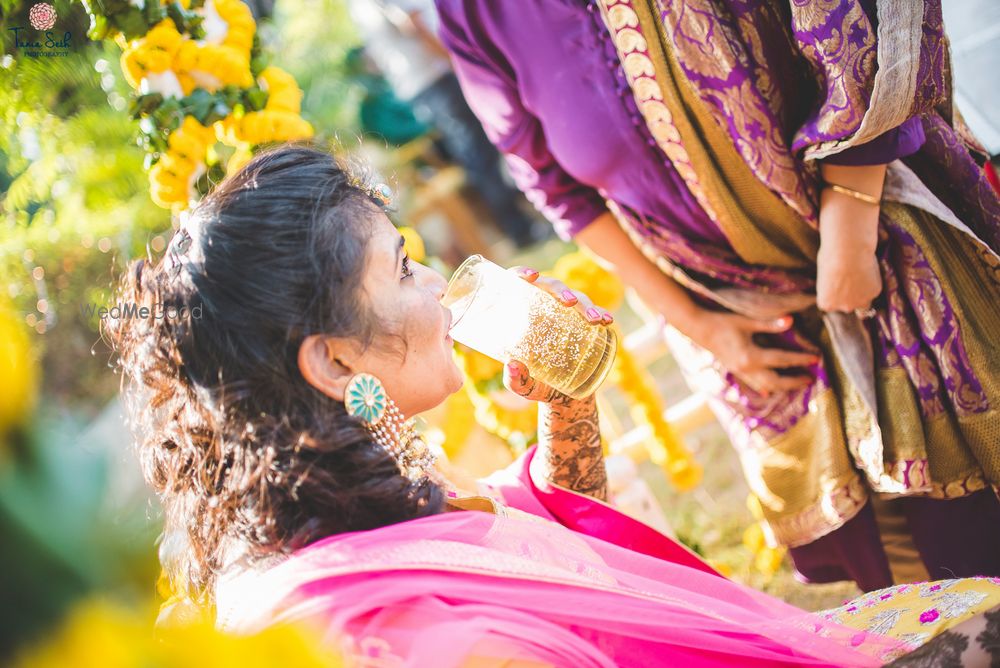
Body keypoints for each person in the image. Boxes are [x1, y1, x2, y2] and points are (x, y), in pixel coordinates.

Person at [108, 144, 1000, 666]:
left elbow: (528, 548)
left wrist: (566, 405)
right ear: (335, 360)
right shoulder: (393, 634)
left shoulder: (353, 486)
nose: (434, 287)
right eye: (405, 266)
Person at [431, 0, 1000, 591]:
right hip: (729, 314)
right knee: (887, 571)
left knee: (968, 533)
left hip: (881, 235)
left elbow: (865, 38)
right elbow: (556, 188)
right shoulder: (474, 14)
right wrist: (701, 324)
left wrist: (850, 233)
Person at [345, 0, 547, 248]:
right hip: (436, 77)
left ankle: (522, 223)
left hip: (420, 84)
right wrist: (456, 58)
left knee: (476, 152)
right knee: (479, 152)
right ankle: (521, 229)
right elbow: (415, 24)